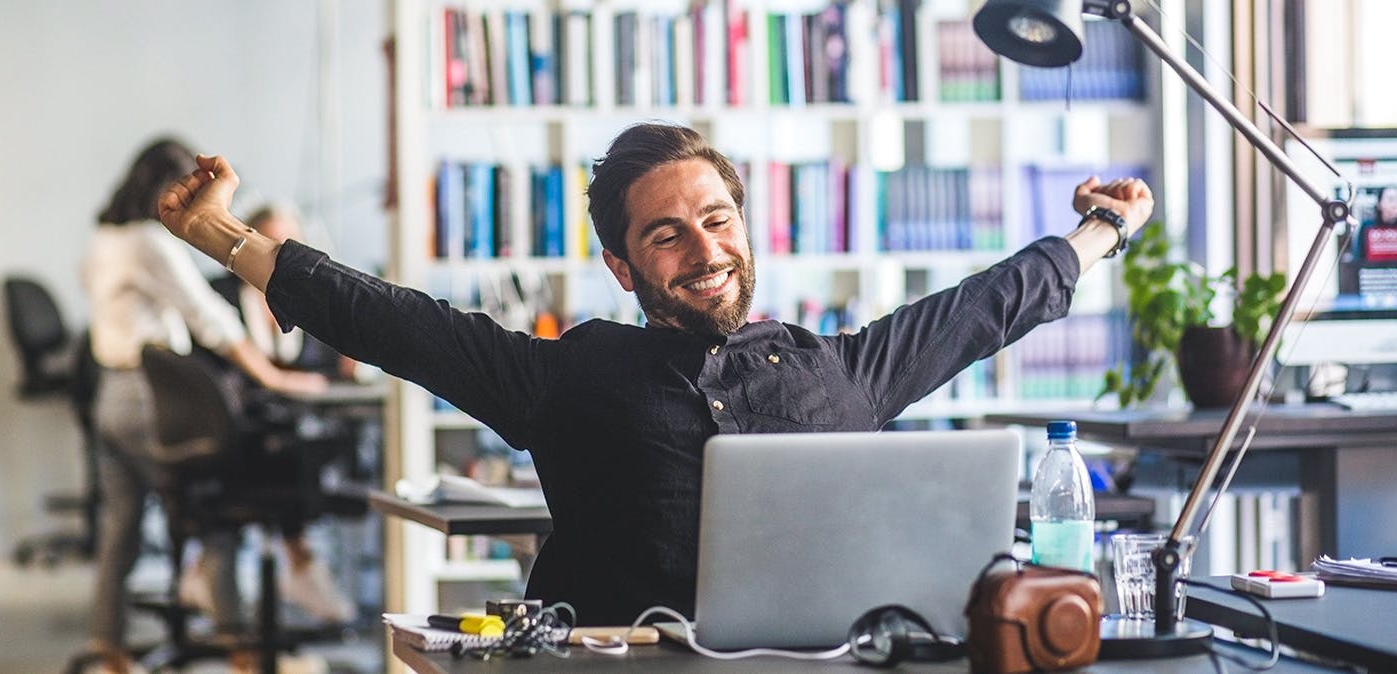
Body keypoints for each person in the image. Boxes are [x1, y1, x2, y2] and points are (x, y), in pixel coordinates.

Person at [157, 122, 1153, 627]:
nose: (704, 248)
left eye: (717, 219)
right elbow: (393, 323)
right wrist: (217, 234)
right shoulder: (566, 374)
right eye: (667, 234)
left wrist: (1101, 227)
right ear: (625, 267)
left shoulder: (830, 368)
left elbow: (985, 307)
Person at [83, 138, 327, 674]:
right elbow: (208, 320)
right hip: (150, 398)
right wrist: (272, 378)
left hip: (108, 394)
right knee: (216, 508)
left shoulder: (105, 239)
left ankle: (110, 649)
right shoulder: (150, 241)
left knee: (120, 528)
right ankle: (238, 645)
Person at [178, 202, 357, 625]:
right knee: (284, 455)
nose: (279, 251)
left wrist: (348, 355)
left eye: (288, 243)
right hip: (233, 429)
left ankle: (287, 564)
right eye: (270, 241)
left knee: (303, 446)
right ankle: (299, 563)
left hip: (286, 425)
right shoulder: (218, 296)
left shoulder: (305, 297)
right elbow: (210, 373)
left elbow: (318, 361)